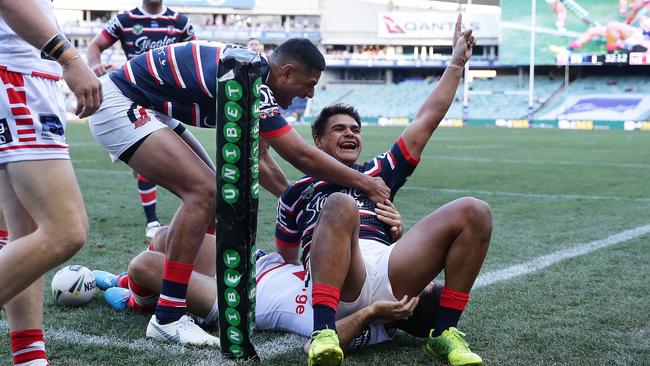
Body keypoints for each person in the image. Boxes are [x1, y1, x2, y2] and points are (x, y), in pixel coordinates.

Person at [87, 38, 390, 347]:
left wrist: (296, 198)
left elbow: (260, 160)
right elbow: (302, 155)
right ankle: (168, 316)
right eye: (309, 84)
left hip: (146, 103)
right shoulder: (253, 81)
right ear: (286, 72)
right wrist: (365, 183)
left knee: (216, 198)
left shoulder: (250, 73)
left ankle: (136, 289)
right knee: (203, 193)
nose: (310, 94)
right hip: (123, 102)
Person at [273, 16, 491, 366]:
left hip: (387, 267)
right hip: (339, 281)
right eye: (339, 129)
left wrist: (456, 63)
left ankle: (444, 333)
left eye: (355, 129)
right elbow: (286, 260)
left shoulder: (379, 172)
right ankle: (324, 332)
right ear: (318, 140)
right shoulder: (297, 192)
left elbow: (427, 119)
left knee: (474, 210)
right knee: (340, 204)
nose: (350, 134)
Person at [93, 206, 444, 352]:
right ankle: (131, 288)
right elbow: (381, 263)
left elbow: (320, 342)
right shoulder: (377, 286)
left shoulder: (376, 328)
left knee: (146, 265)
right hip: (261, 264)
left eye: (424, 285)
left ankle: (136, 300)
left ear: (407, 305)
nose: (421, 277)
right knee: (170, 236)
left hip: (239, 299)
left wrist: (370, 313)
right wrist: (397, 234)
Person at [0, 0, 102, 365]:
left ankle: (30, 357)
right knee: (65, 230)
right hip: (17, 76)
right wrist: (71, 58)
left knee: (25, 234)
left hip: (22, 75)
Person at [87, 0, 196, 238]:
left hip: (167, 98)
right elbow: (95, 46)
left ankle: (195, 204)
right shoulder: (125, 19)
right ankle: (153, 221)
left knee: (175, 161)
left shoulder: (180, 22)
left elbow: (192, 56)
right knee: (149, 162)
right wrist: (95, 66)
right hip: (133, 95)